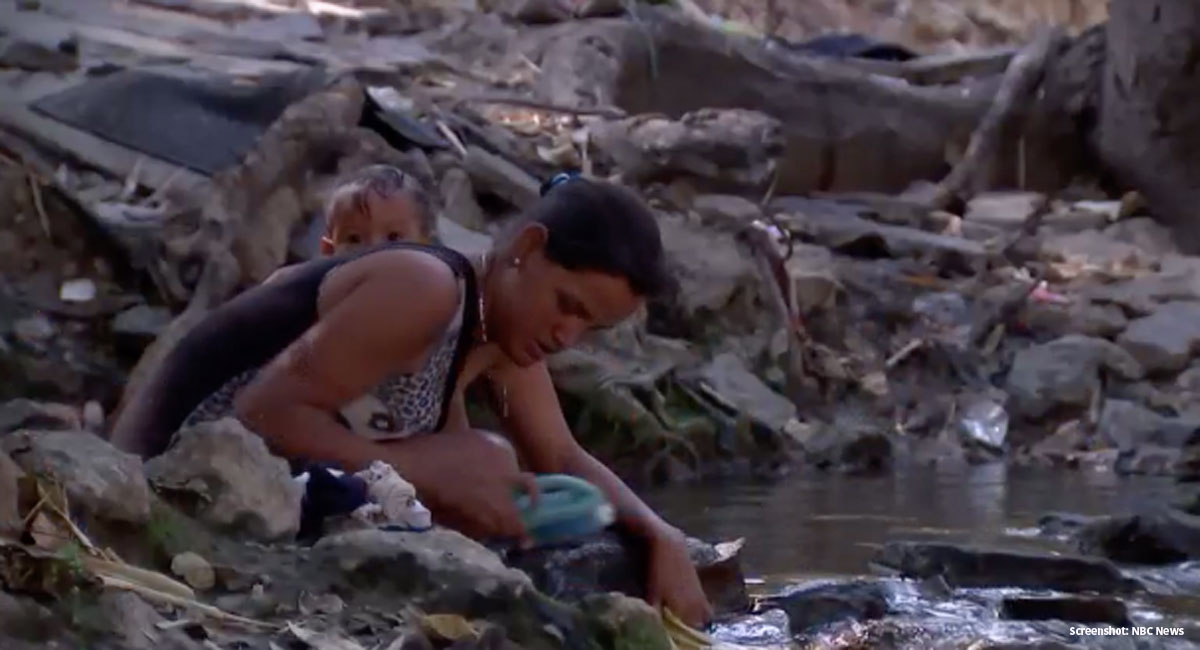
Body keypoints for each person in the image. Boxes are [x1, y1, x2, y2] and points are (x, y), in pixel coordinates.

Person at [108, 173, 713, 627]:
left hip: (273, 498)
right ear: (526, 247)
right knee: (482, 460)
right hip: (160, 488)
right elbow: (261, 414)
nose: (567, 337)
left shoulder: (501, 333)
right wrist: (430, 471)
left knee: (494, 469)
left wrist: (662, 538)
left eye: (591, 329)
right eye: (568, 306)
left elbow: (559, 453)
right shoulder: (424, 288)